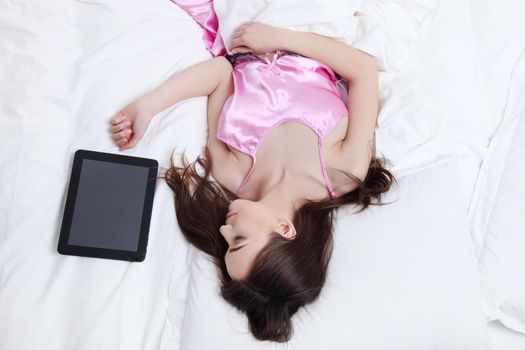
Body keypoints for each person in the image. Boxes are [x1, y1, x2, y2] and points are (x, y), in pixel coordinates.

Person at [108, 21, 396, 342]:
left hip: (241, 25)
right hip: (308, 23)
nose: (224, 229)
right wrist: (283, 37)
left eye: (226, 243)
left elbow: (221, 74)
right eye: (239, 239)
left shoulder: (230, 173)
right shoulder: (344, 171)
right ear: (285, 229)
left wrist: (148, 107)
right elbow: (363, 70)